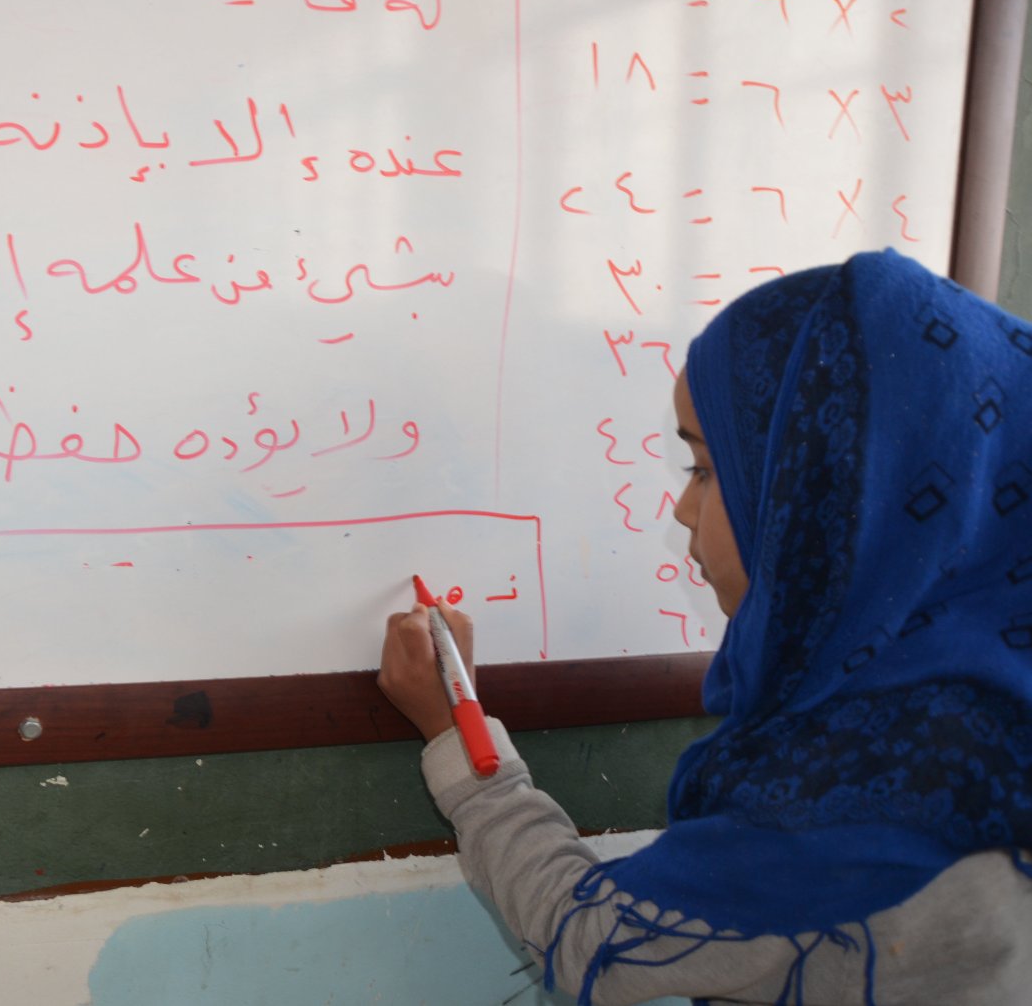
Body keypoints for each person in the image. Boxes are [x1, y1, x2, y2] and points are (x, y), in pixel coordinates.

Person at [377, 249, 1032, 1005]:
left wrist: (459, 742)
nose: (682, 510)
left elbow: (591, 939)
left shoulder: (852, 800)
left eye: (705, 470)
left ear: (821, 501)